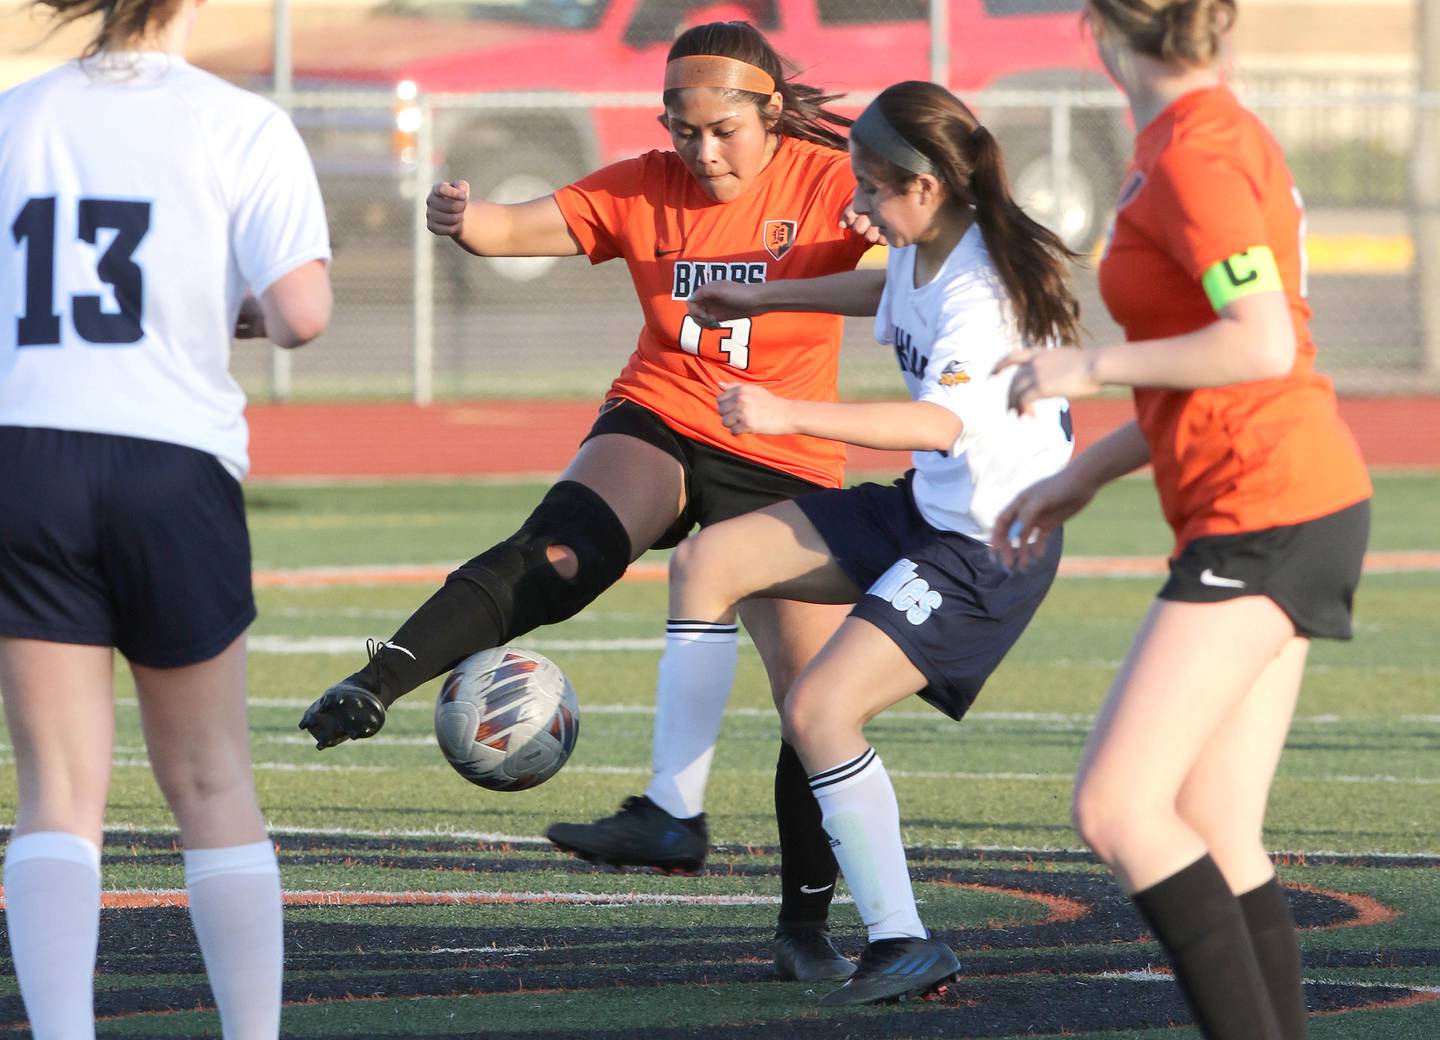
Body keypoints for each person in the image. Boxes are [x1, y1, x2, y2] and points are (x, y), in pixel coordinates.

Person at [297, 21, 880, 980]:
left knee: (815, 702)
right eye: (683, 130)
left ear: (771, 112)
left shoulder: (826, 181)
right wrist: (462, 217)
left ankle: (804, 928)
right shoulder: (645, 184)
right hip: (663, 409)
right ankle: (378, 683)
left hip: (784, 444)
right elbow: (513, 229)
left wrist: (893, 220)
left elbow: (923, 232)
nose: (702, 151)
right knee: (559, 552)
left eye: (724, 131)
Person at [556, 80, 1081, 1005]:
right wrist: (757, 293)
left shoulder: (984, 288)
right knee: (707, 561)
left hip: (987, 550)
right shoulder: (928, 248)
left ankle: (903, 941)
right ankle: (673, 815)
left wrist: (783, 410)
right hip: (928, 514)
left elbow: (936, 425)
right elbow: (880, 287)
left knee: (819, 711)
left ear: (926, 185)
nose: (859, 207)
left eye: (873, 190)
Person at [992, 2, 1371, 1037]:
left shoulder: (1199, 149)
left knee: (1117, 806)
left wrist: (1090, 365)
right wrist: (1094, 469)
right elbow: (1225, 359)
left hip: (1269, 503)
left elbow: (1255, 347)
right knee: (1215, 825)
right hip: (1279, 494)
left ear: (1100, 35)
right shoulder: (1194, 135)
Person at [0, 1, 332, 1036]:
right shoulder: (238, 120)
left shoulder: (16, 114)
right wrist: (214, 300)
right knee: (209, 776)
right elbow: (301, 312)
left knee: (56, 787)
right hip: (169, 461)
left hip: (25, 452)